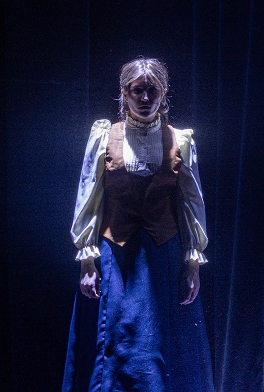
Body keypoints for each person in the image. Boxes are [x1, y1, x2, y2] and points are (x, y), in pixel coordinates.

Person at [62, 57, 214, 392]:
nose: (145, 98)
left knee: (159, 344)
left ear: (163, 94)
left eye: (152, 90)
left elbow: (192, 204)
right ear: (124, 94)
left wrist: (192, 264)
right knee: (116, 342)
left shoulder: (181, 141)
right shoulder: (104, 137)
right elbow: (89, 197)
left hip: (162, 255)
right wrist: (88, 260)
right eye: (137, 91)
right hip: (117, 256)